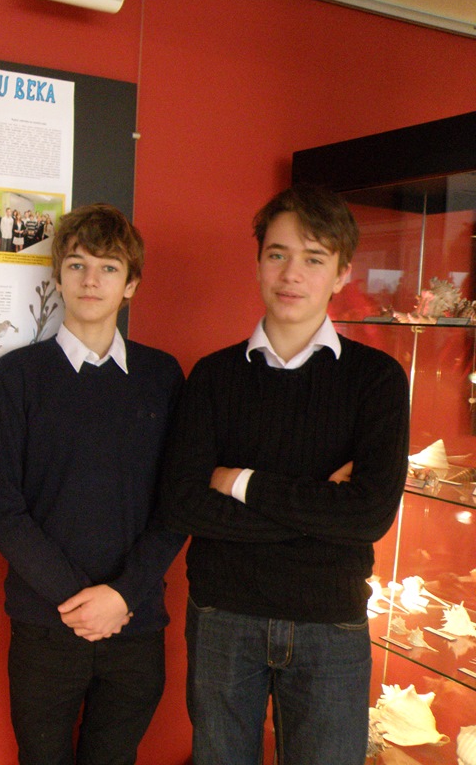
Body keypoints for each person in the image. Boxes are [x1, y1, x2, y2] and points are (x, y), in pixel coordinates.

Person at [159, 184, 409, 765]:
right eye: (277, 254)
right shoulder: (214, 376)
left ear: (342, 273)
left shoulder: (377, 380)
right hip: (223, 617)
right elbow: (182, 503)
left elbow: (368, 515)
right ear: (258, 263)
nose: (291, 274)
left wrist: (240, 483)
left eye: (314, 258)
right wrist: (322, 510)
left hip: (331, 625)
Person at [0, 203, 185, 765]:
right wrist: (79, 602)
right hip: (45, 625)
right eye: (77, 265)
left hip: (135, 621)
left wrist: (121, 596)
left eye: (109, 268)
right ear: (57, 277)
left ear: (131, 284)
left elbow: (177, 504)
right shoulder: (17, 375)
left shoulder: (162, 376)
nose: (91, 280)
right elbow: (3, 508)